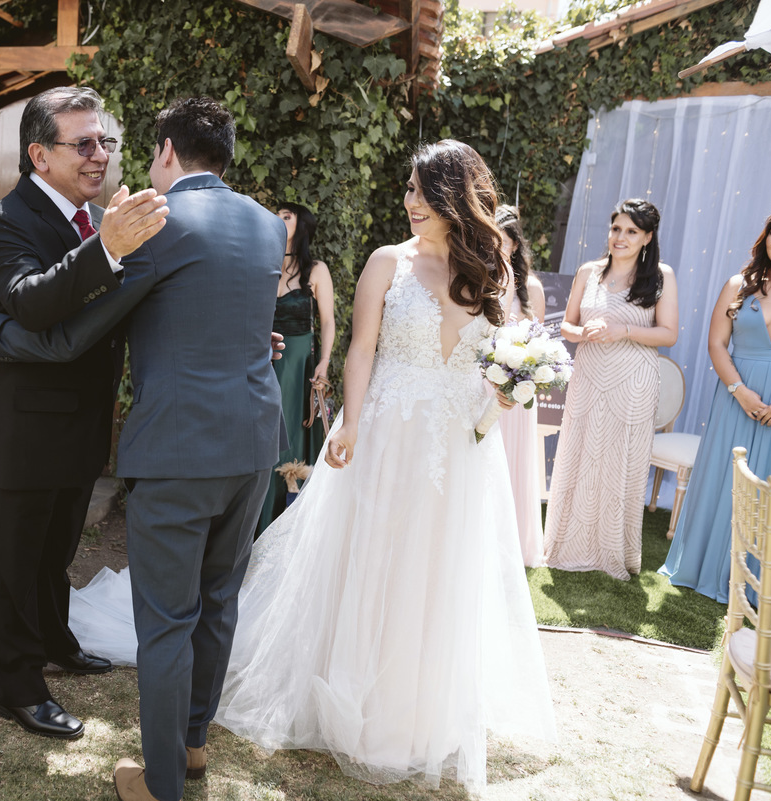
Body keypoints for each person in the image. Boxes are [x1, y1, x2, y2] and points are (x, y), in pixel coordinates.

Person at [62, 140, 556, 794]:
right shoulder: (388, 263)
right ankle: (349, 698)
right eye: (406, 190)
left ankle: (417, 712)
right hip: (384, 434)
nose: (407, 203)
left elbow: (498, 352)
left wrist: (508, 383)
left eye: (419, 192)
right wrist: (349, 421)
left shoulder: (491, 265)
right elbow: (361, 350)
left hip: (457, 444)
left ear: (452, 196)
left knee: (438, 569)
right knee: (374, 560)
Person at [0, 96, 287, 801]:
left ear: (167, 151)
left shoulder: (158, 224)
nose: (108, 157)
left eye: (119, 145)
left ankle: (163, 783)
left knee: (166, 622)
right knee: (217, 602)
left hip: (178, 446)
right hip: (251, 442)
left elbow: (78, 334)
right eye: (84, 143)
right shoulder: (268, 225)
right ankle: (192, 744)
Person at [0, 86, 169, 741]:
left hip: (81, 424)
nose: (99, 154)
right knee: (16, 564)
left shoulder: (97, 215)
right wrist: (104, 248)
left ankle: (56, 640)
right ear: (38, 155)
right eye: (83, 143)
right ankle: (17, 685)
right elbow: (29, 303)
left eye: (104, 141)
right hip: (22, 430)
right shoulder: (5, 222)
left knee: (56, 554)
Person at [661, 205, 771, 610]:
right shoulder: (740, 284)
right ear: (764, 237)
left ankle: (766, 585)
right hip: (737, 399)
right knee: (725, 481)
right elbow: (717, 344)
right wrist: (740, 390)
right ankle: (704, 567)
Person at [543, 198, 679, 580]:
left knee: (620, 461)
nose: (620, 237)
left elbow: (669, 333)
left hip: (633, 381)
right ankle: (565, 544)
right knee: (580, 452)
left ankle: (613, 553)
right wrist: (581, 332)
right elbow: (566, 326)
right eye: (616, 228)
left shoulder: (661, 276)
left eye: (631, 231)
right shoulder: (589, 271)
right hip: (588, 375)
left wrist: (624, 330)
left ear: (647, 237)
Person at [255, 201, 335, 533]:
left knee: (289, 437)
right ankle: (253, 523)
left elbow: (328, 322)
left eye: (286, 216)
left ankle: (285, 525)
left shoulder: (315, 270)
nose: (276, 219)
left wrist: (325, 364)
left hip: (299, 364)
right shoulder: (261, 262)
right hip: (262, 361)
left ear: (301, 225)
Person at [495, 205, 547, 566]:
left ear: (514, 246)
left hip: (514, 384)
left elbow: (537, 343)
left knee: (511, 459)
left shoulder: (531, 288)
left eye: (501, 242)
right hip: (481, 380)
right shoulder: (477, 277)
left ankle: (511, 540)